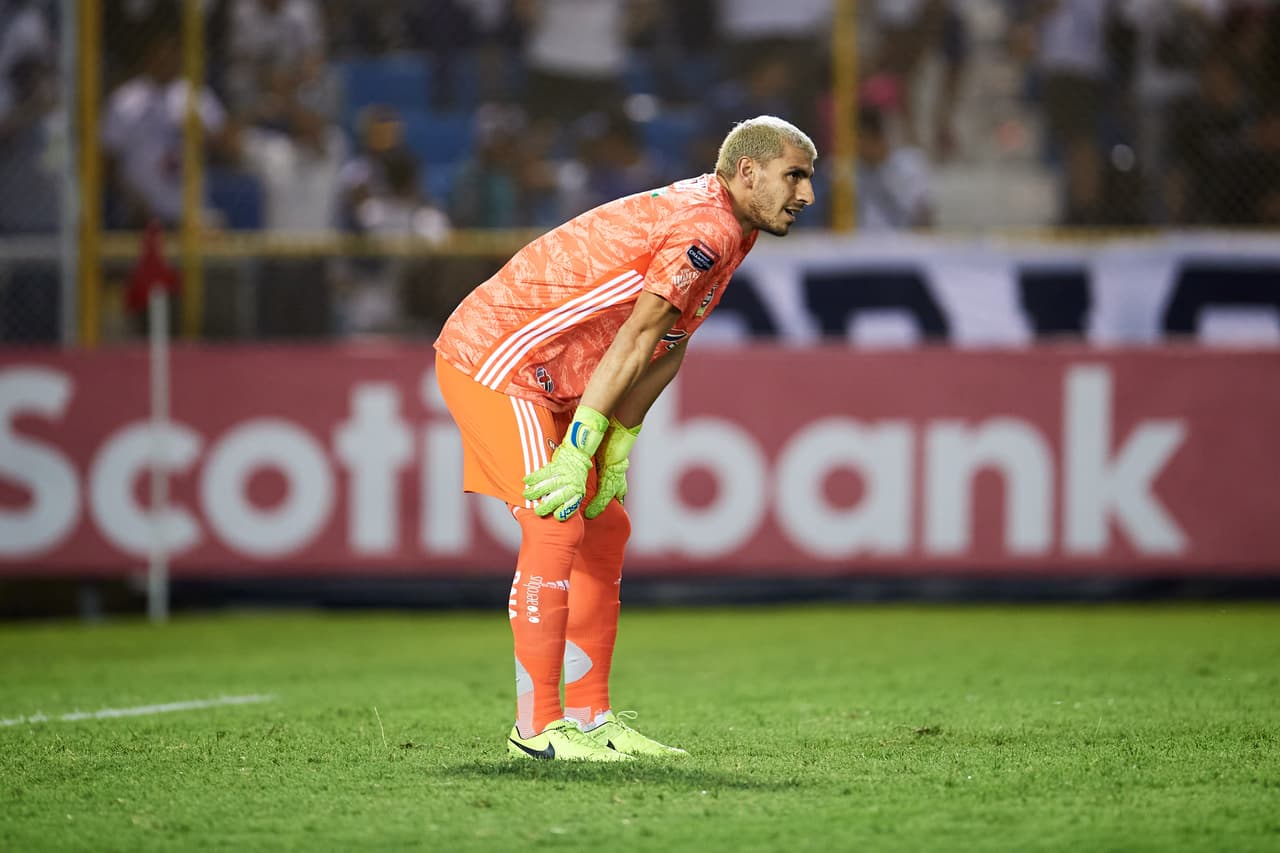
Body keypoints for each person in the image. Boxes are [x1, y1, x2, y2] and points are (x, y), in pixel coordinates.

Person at [433, 115, 816, 761]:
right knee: (555, 520)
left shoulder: (732, 225)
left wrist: (618, 442)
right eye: (795, 176)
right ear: (747, 172)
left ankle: (589, 718)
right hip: (500, 358)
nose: (806, 194)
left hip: (552, 370)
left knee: (603, 528)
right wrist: (584, 443)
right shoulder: (709, 226)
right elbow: (640, 335)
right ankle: (536, 729)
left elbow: (669, 343)